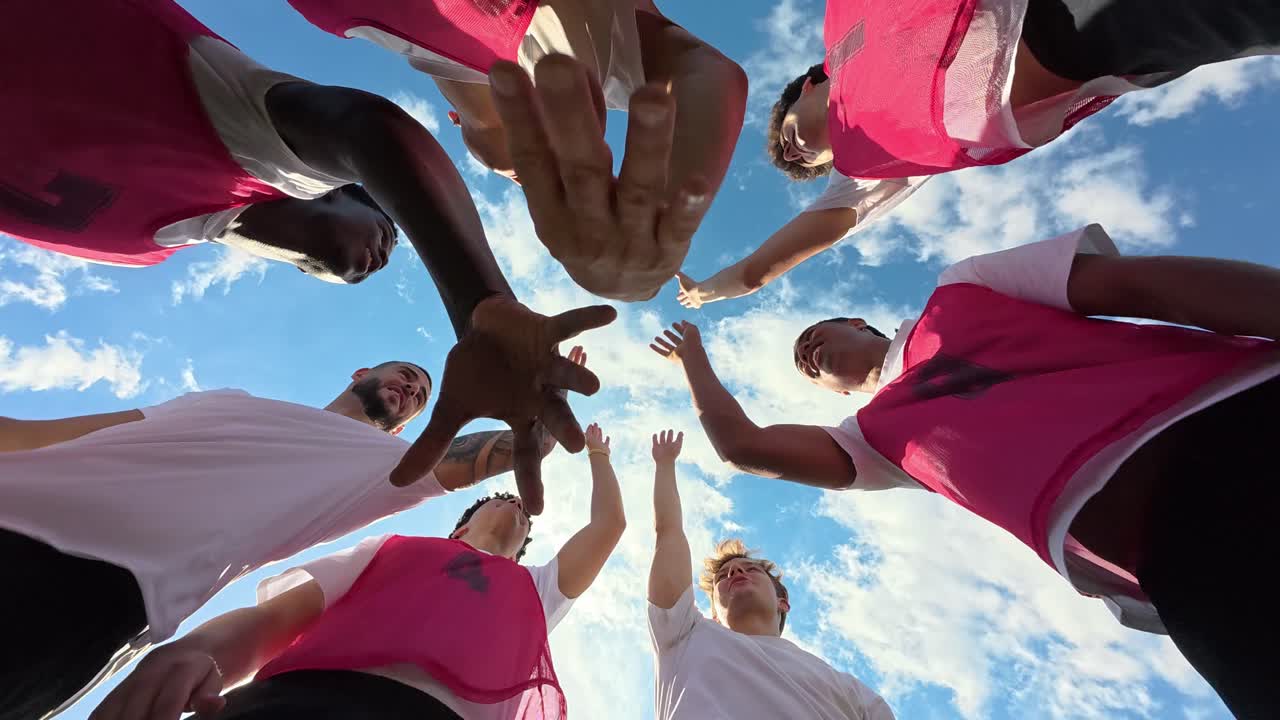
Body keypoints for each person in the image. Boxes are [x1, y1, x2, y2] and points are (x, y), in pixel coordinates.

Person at [650, 224, 1280, 718]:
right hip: (1174, 560)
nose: (808, 353)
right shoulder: (872, 439)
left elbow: (1140, 287)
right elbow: (744, 447)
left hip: (1234, 421)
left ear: (860, 323)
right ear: (835, 395)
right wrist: (694, 361)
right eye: (806, 368)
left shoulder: (963, 288)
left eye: (816, 334)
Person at [0, 348, 586, 719]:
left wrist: (538, 415)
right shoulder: (227, 402)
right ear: (362, 371)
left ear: (406, 423)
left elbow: (495, 454)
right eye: (407, 374)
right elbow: (51, 434)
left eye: (420, 394)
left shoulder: (378, 464)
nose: (411, 386)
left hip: (86, 598)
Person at [88, 420, 626, 720]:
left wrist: (598, 455)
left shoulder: (536, 588)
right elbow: (279, 618)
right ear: (459, 529)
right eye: (498, 499)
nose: (512, 508)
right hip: (295, 706)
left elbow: (608, 528)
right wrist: (194, 651)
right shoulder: (392, 548)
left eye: (523, 517)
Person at [284, 1, 744, 302]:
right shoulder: (599, 56)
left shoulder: (378, 24)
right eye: (524, 174)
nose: (532, 173)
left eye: (518, 177)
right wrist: (655, 229)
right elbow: (708, 73)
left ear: (456, 121)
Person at [770, 1, 1280, 180]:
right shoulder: (868, 162)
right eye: (804, 163)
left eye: (784, 133)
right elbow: (830, 218)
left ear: (810, 85)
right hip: (1087, 44)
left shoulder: (842, 32)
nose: (793, 150)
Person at [646, 430, 895, 718]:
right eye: (722, 577)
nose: (736, 571)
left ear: (783, 601)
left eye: (750, 569)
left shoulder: (847, 689)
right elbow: (668, 534)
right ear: (713, 613)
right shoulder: (683, 633)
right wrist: (664, 465)